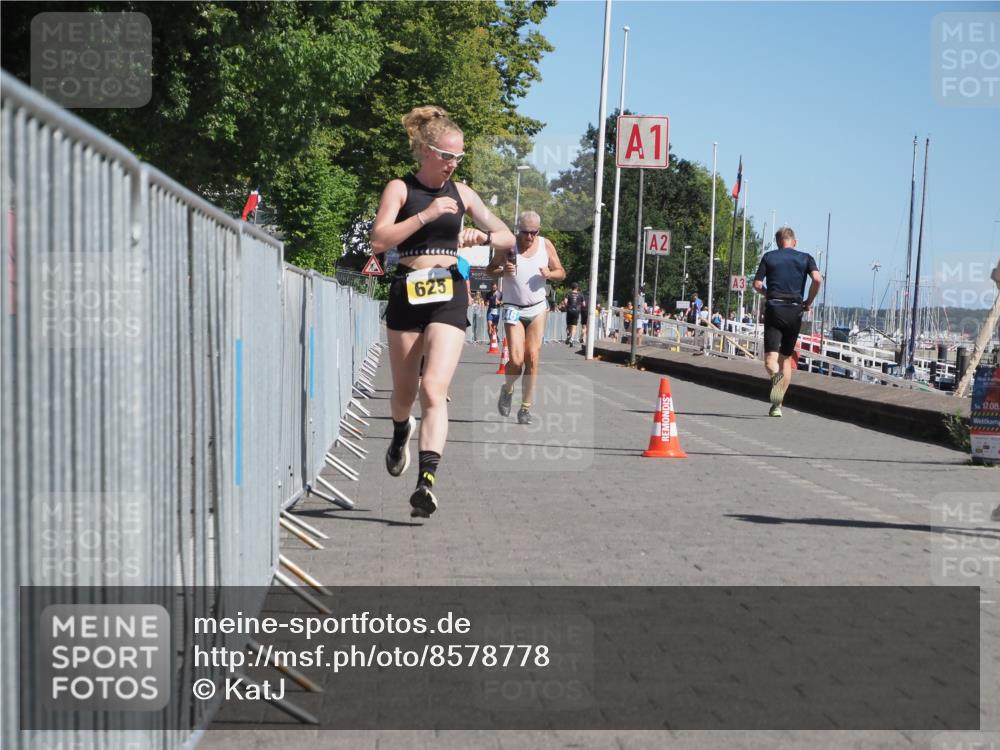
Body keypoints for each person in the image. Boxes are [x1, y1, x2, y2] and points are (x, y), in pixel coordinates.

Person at [371, 105, 514, 517]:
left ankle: (426, 483)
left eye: (459, 157)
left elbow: (504, 233)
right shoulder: (400, 189)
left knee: (434, 389)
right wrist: (427, 215)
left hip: (450, 289)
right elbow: (379, 241)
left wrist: (480, 234)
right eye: (447, 155)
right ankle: (401, 432)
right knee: (404, 395)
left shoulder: (463, 193)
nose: (453, 164)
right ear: (426, 150)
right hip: (407, 291)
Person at [487, 210, 566, 424]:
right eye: (525, 232)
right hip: (513, 307)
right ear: (517, 229)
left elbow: (561, 272)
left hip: (538, 308)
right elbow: (490, 270)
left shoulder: (545, 245)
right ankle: (508, 388)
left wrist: (550, 274)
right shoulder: (507, 246)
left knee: (532, 357)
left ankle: (525, 408)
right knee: (516, 359)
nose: (529, 237)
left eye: (534, 232)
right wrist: (503, 270)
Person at [752, 226, 822, 417]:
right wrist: (808, 302)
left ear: (778, 243)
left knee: (770, 361)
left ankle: (775, 378)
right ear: (794, 241)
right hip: (795, 311)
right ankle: (778, 405)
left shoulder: (769, 257)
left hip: (775, 309)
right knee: (787, 359)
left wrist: (768, 293)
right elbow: (817, 279)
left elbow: (757, 284)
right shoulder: (806, 257)